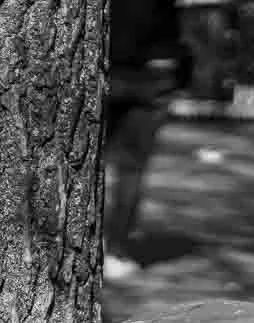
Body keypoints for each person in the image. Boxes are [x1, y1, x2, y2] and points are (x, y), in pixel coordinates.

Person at [105, 0, 184, 280]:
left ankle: (82, 240)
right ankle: (115, 250)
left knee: (85, 159)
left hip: (110, 65)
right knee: (131, 169)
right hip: (152, 71)